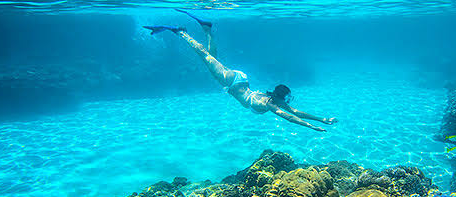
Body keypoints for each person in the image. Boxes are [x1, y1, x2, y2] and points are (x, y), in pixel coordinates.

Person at [144, 10, 338, 132]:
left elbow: (296, 112)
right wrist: (312, 127)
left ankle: (207, 29)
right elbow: (289, 117)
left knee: (213, 58)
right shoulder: (270, 104)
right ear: (281, 96)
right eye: (287, 98)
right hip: (232, 81)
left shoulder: (274, 99)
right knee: (205, 56)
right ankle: (180, 32)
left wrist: (322, 119)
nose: (288, 102)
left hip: (240, 79)